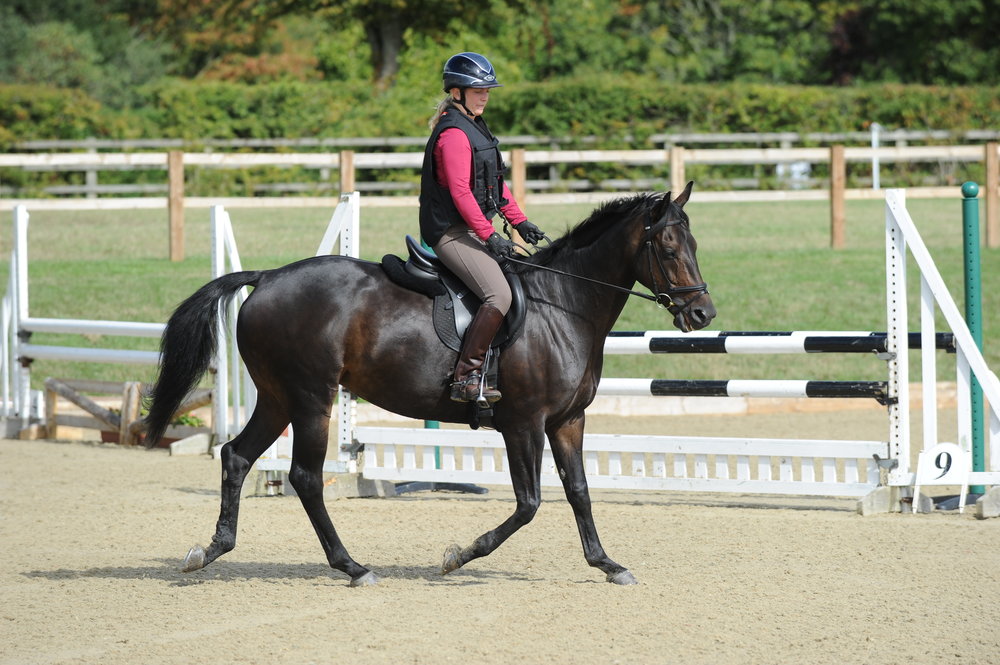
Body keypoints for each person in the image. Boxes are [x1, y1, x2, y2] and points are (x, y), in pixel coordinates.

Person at [419, 52, 545, 404]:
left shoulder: (475, 126)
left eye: (488, 89)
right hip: (450, 232)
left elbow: (493, 184)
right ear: (457, 92)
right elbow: (461, 192)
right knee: (499, 294)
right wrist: (490, 236)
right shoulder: (455, 134)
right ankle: (467, 375)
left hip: (472, 228)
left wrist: (519, 220)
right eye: (478, 90)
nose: (485, 95)